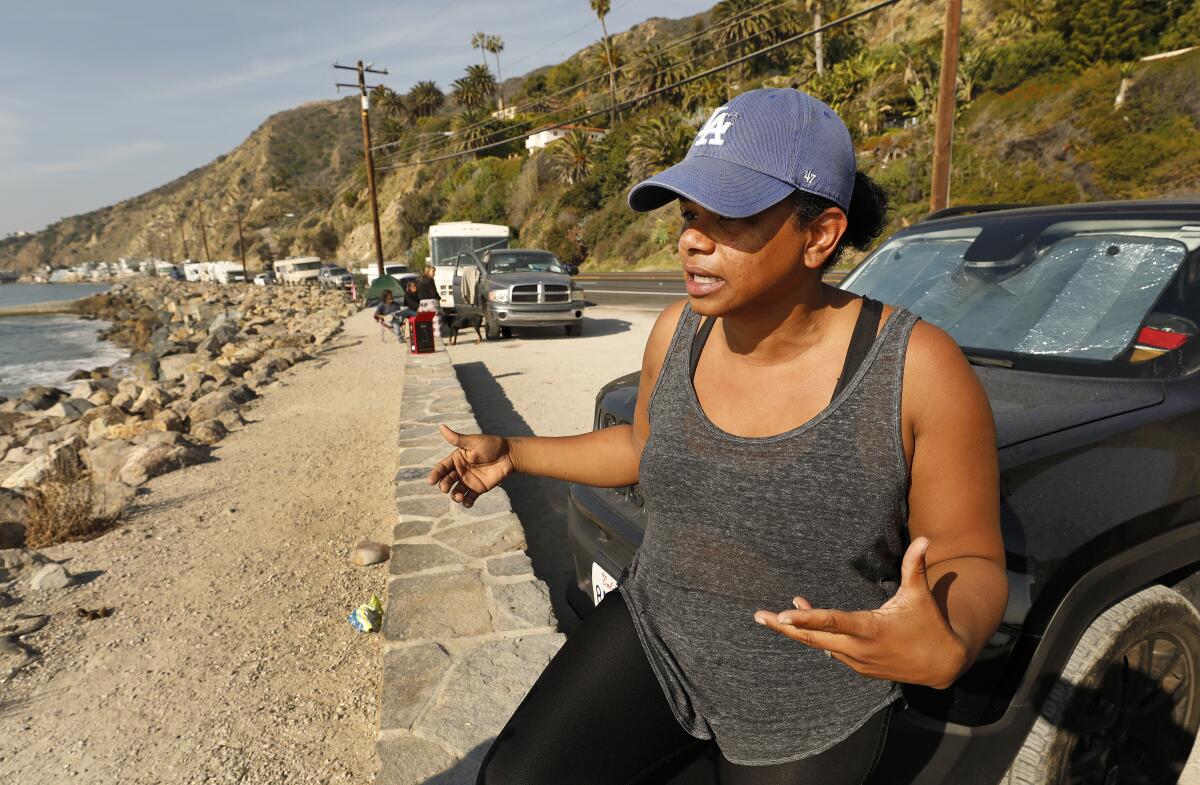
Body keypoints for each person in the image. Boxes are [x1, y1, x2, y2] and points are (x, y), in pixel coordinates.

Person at [429, 89, 1007, 785]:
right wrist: (516, 452)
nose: (690, 240)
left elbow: (969, 553)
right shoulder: (678, 332)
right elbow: (642, 449)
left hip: (813, 693)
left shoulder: (917, 370)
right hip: (658, 633)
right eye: (690, 214)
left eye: (727, 216)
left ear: (820, 233)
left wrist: (950, 641)